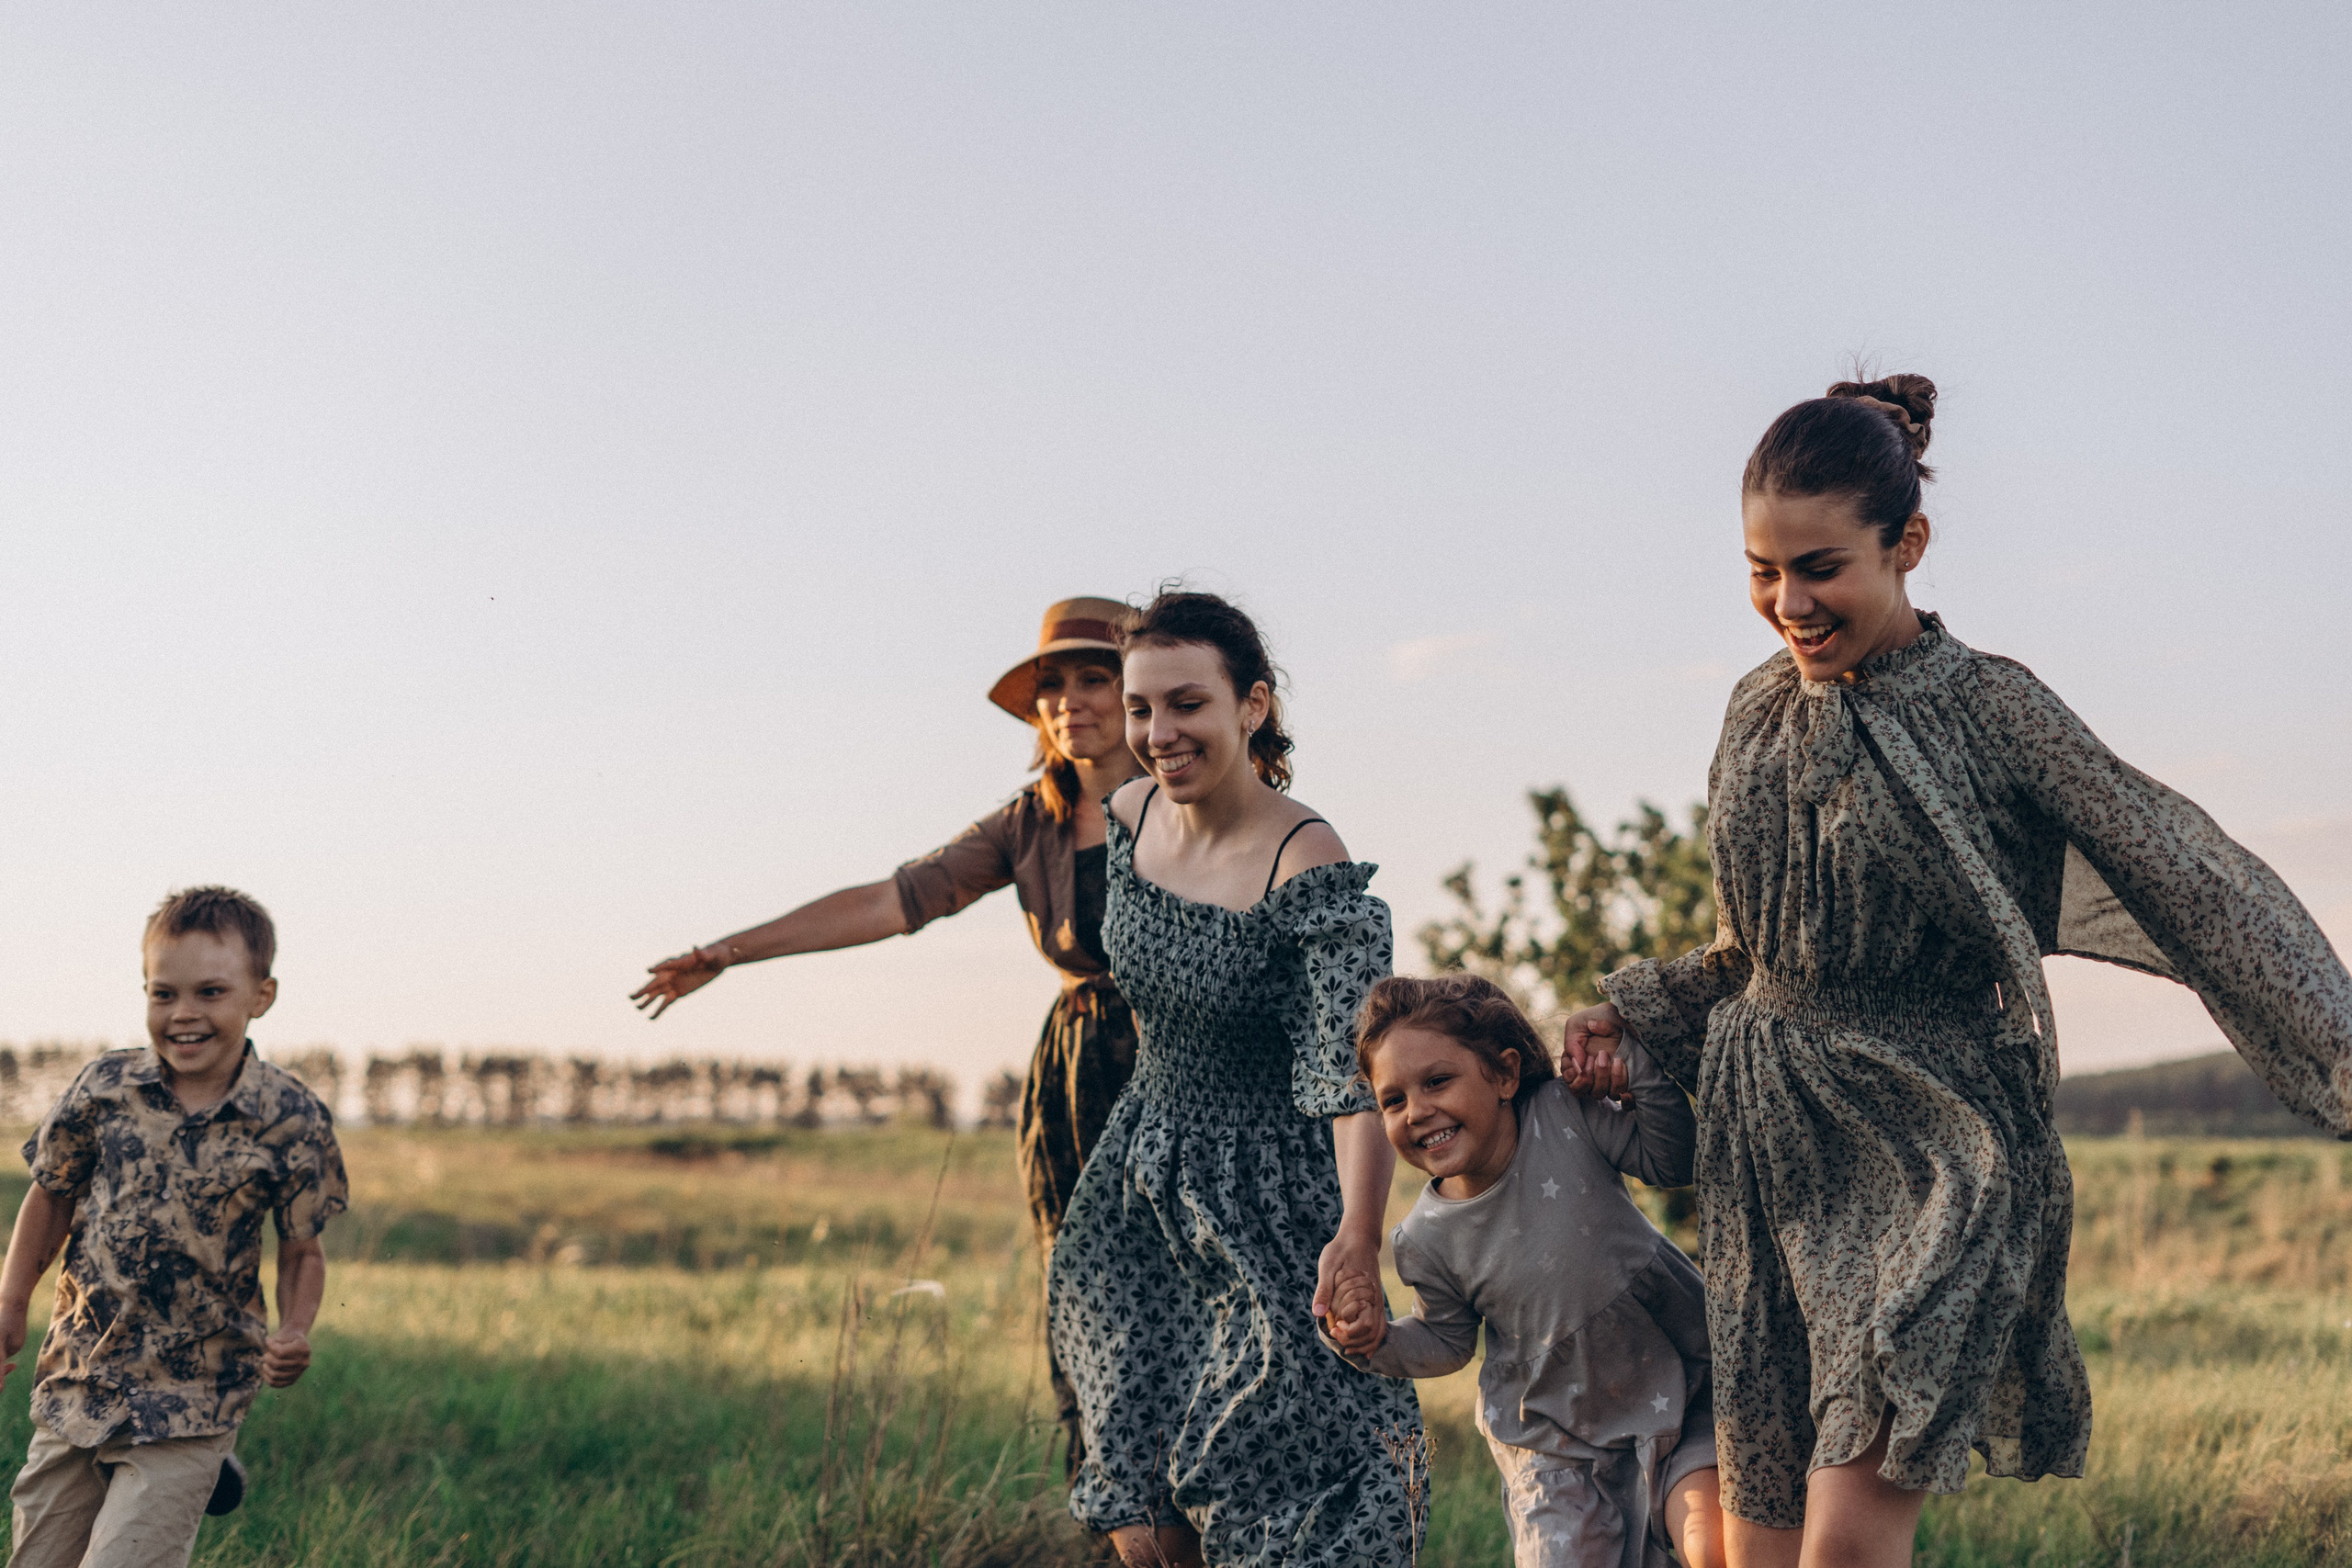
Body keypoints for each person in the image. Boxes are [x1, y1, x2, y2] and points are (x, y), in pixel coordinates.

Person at [1559, 374, 2352, 1568]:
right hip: (1774, 1150)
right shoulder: (1752, 710)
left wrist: (2337, 1045)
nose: (1788, 602)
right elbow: (1747, 948)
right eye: (1762, 572)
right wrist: (1627, 1009)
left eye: (1820, 566)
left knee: (1845, 1548)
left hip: (1935, 1140)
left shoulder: (1995, 707)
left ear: (1908, 543)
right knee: (1753, 1549)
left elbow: (2188, 869)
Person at [628, 595, 1148, 1465]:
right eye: (1051, 686)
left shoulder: (1192, 802)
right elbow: (890, 901)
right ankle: (1116, 1537)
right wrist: (728, 950)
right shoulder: (1029, 822)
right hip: (1078, 1077)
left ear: (1141, 690)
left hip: (1188, 1070)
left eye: (1094, 678)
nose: (1069, 702)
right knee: (1091, 1313)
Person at [1046, 590, 1424, 1568]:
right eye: (1140, 709)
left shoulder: (1306, 859)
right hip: (1139, 1185)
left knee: (1291, 1493)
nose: (1157, 734)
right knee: (1140, 1500)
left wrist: (1355, 1231)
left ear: (1251, 706)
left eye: (1186, 705)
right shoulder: (1126, 811)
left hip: (1267, 1198)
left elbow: (1353, 1074)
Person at [1, 886, 349, 1568]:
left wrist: (296, 1328)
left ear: (261, 995)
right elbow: (50, 1194)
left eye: (211, 991)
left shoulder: (288, 1117)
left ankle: (188, 1472)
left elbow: (303, 1248)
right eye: (163, 994)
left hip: (196, 1394)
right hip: (81, 1378)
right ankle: (185, 1479)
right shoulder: (105, 1087)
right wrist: (11, 1299)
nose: (184, 1014)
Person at [1324, 974, 1723, 1568]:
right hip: (1551, 1440)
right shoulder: (1424, 1238)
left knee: (1713, 1545)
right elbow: (1446, 1342)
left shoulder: (1568, 1113)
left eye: (1437, 1080)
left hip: (1674, 1390)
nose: (1418, 1110)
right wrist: (1376, 1340)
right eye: (1394, 1099)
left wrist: (1637, 1069)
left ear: (1505, 1073)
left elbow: (1673, 1156)